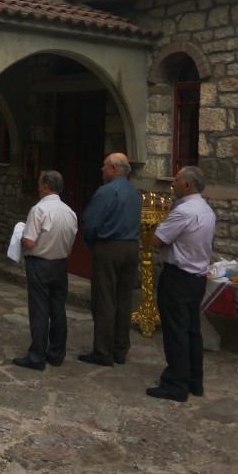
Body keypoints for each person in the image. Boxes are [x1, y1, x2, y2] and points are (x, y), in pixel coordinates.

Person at [147, 166, 216, 402]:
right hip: (197, 276)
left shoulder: (184, 211)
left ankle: (176, 384)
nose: (172, 184)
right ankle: (194, 380)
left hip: (178, 276)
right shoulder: (206, 209)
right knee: (191, 330)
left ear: (187, 185)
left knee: (176, 330)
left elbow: (157, 241)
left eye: (176, 180)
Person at [77, 152, 141, 367]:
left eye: (105, 165)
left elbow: (91, 221)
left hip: (110, 247)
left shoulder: (106, 191)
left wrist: (89, 241)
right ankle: (120, 348)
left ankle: (103, 351)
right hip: (131, 247)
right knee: (123, 300)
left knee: (104, 299)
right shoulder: (134, 192)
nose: (102, 169)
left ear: (114, 168)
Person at [12, 170, 78, 370]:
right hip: (60, 264)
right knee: (58, 309)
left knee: (39, 309)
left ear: (46, 187)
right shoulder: (70, 212)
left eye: (40, 184)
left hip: (40, 264)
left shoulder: (39, 210)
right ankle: (57, 353)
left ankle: (36, 356)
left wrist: (20, 235)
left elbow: (30, 242)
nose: (39, 188)